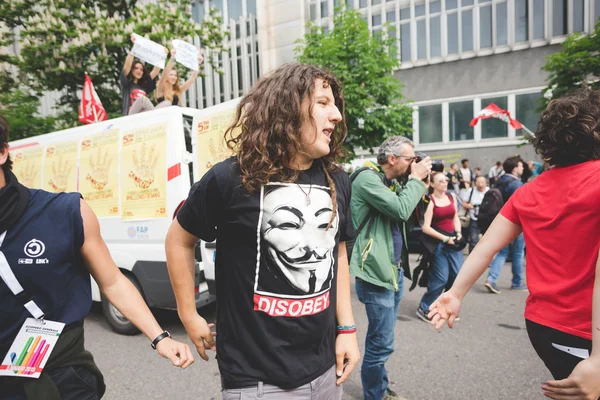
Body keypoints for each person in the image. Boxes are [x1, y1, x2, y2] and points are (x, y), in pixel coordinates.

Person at [164, 63, 360, 400]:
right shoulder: (230, 178)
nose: (337, 115)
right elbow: (179, 240)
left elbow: (337, 251)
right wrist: (188, 313)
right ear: (288, 107)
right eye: (324, 103)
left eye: (335, 104)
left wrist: (347, 329)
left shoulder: (337, 180)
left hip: (326, 369)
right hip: (256, 381)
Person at [0, 115, 193, 400]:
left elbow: (113, 281)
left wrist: (159, 337)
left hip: (59, 377)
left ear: (3, 152)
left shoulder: (64, 211)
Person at [428, 88, 600, 400]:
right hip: (582, 331)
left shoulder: (527, 193)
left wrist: (455, 293)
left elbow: (485, 247)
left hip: (543, 327)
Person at [349, 136, 431, 400]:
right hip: (376, 273)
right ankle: (375, 394)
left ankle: (379, 386)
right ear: (393, 159)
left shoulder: (387, 182)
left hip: (392, 271)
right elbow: (400, 210)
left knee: (382, 340)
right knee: (381, 342)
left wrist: (419, 185)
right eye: (410, 159)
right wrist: (416, 180)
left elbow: (409, 214)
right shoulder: (367, 178)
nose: (413, 164)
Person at [416, 172, 464, 323]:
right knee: (441, 278)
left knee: (457, 277)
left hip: (453, 242)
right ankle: (424, 307)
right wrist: (445, 238)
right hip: (438, 244)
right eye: (441, 180)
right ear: (432, 184)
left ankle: (445, 306)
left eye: (446, 180)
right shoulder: (430, 201)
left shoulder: (452, 197)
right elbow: (426, 227)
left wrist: (458, 232)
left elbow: (455, 216)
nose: (445, 183)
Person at [484, 155, 526, 293]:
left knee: (503, 251)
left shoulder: (499, 181)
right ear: (515, 169)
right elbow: (521, 204)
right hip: (516, 222)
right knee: (518, 252)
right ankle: (517, 282)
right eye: (520, 166)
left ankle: (491, 278)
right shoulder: (517, 184)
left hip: (501, 221)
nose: (523, 168)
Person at [128, 48, 204, 115]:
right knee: (163, 102)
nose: (174, 77)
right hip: (157, 115)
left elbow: (191, 80)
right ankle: (129, 120)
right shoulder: (160, 88)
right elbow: (164, 74)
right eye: (171, 75)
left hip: (168, 117)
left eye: (175, 75)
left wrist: (198, 64)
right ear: (167, 76)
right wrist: (172, 57)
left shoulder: (177, 91)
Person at [120, 35, 162, 116]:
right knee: (142, 99)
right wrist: (135, 47)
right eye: (136, 68)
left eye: (141, 69)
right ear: (131, 70)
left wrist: (162, 56)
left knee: (166, 103)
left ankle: (155, 117)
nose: (139, 71)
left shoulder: (143, 86)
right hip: (130, 116)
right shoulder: (126, 84)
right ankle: (156, 117)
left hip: (143, 116)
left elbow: (156, 70)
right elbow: (127, 66)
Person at [459, 175, 489, 253]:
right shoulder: (470, 191)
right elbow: (463, 202)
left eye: (482, 182)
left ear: (486, 183)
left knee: (487, 240)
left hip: (486, 219)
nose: (480, 184)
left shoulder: (489, 191)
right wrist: (468, 206)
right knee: (473, 240)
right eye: (478, 182)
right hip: (474, 218)